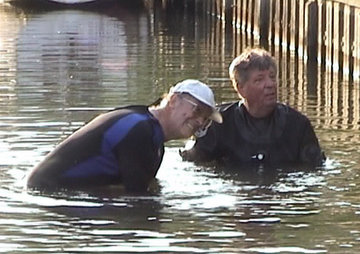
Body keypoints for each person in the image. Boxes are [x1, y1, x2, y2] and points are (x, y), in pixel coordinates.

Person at [26, 79, 222, 192]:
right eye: (197, 111)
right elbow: (137, 201)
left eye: (205, 119)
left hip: (58, 192)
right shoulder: (141, 131)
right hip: (50, 194)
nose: (199, 122)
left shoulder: (151, 135)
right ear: (173, 100)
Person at [180, 48, 325, 168]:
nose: (270, 84)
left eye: (272, 77)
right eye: (259, 79)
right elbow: (193, 162)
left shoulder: (298, 126)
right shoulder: (218, 123)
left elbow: (315, 169)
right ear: (240, 88)